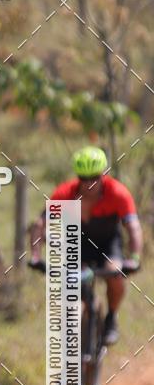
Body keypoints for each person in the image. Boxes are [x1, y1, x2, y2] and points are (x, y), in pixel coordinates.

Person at [30, 146, 142, 345]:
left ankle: (111, 318)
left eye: (95, 178)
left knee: (115, 275)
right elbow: (40, 224)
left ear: (103, 175)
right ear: (77, 177)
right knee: (69, 285)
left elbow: (133, 227)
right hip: (76, 245)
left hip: (108, 245)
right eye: (84, 178)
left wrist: (133, 258)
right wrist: (36, 256)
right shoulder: (65, 193)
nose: (89, 183)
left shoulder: (118, 193)